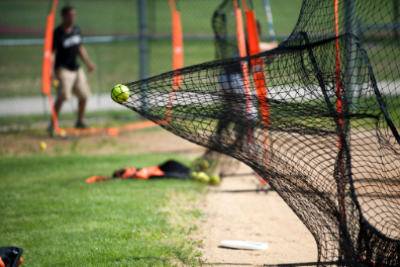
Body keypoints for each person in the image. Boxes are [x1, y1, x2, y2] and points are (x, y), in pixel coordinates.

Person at [215, 24, 278, 151]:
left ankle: (217, 137)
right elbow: (261, 47)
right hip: (235, 79)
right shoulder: (249, 41)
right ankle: (248, 145)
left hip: (225, 77)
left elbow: (257, 64)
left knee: (233, 110)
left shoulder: (246, 43)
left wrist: (271, 56)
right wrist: (273, 47)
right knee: (251, 113)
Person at [49, 5, 96, 132]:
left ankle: (80, 121)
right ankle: (53, 124)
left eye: (74, 15)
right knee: (63, 96)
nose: (72, 17)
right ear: (63, 16)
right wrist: (51, 71)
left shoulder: (76, 30)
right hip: (63, 69)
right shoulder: (57, 33)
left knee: (84, 95)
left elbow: (80, 47)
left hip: (76, 68)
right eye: (70, 15)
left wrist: (88, 62)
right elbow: (52, 54)